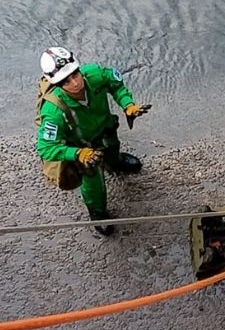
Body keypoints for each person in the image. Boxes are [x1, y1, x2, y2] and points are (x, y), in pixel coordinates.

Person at [36, 47, 151, 235]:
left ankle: (115, 163)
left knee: (113, 148)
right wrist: (77, 154)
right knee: (92, 183)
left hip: (106, 130)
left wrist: (128, 104)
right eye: (67, 81)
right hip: (85, 150)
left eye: (75, 75)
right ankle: (97, 212)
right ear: (57, 84)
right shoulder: (53, 111)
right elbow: (45, 147)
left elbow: (116, 85)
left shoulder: (95, 74)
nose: (75, 83)